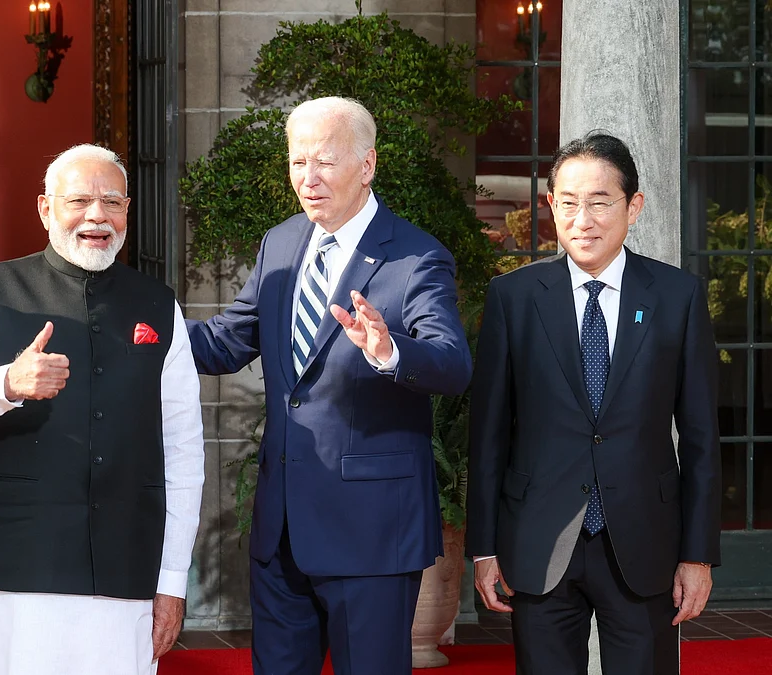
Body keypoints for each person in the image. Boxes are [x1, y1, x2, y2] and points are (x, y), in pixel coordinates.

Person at [187, 96, 472, 675]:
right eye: (297, 162)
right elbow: (226, 341)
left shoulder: (417, 257)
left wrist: (390, 351)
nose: (307, 179)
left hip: (370, 533)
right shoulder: (281, 243)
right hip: (282, 530)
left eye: (324, 162)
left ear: (367, 166)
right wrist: (140, 330)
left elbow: (451, 363)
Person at [0, 143, 204, 675]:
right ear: (46, 209)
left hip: (124, 570)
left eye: (112, 202)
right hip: (8, 567)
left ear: (126, 212)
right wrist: (6, 383)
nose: (97, 215)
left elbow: (183, 449)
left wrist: (171, 581)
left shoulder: (159, 304)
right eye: (79, 201)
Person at [466, 131, 721, 675]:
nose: (583, 219)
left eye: (600, 202)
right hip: (538, 542)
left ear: (634, 207)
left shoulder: (678, 297)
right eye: (570, 202)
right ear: (552, 207)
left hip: (644, 543)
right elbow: (487, 435)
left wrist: (697, 554)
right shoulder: (513, 299)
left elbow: (700, 438)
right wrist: (483, 547)